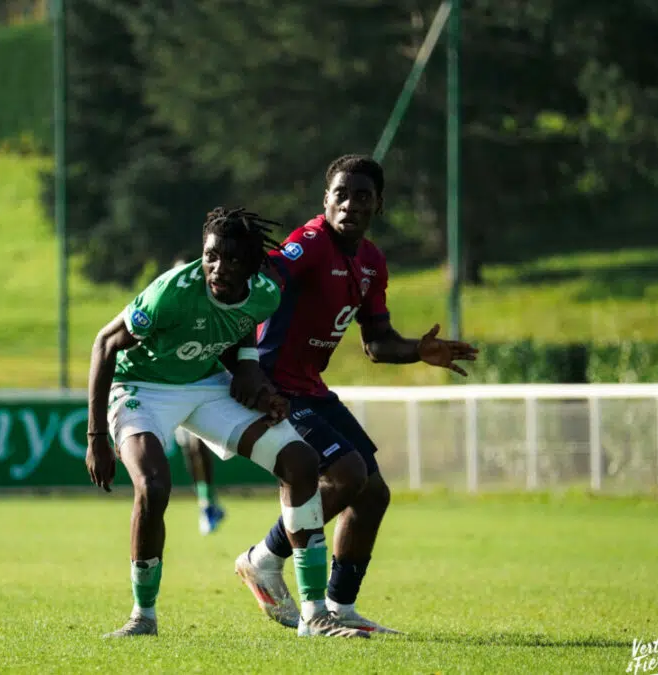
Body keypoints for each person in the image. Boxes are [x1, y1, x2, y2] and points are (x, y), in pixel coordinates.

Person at [85, 207, 369, 639]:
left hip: (205, 383)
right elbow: (106, 342)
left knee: (301, 461)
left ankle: (314, 614)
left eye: (233, 260)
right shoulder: (172, 291)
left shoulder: (266, 292)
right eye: (211, 256)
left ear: (254, 265)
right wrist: (96, 437)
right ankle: (143, 616)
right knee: (153, 486)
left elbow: (241, 323)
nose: (218, 268)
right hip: (142, 386)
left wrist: (249, 367)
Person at [231, 155, 478, 633]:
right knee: (346, 473)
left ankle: (341, 608)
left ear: (378, 205)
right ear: (326, 200)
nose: (350, 204)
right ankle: (262, 557)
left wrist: (419, 351)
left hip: (311, 387)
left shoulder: (371, 263)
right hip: (274, 384)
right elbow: (263, 286)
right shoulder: (308, 244)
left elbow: (377, 344)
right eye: (340, 194)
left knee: (373, 493)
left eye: (362, 195)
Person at [168, 258, 228, 536]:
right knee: (191, 450)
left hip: (210, 388)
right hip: (178, 390)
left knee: (197, 447)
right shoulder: (167, 308)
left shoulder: (212, 306)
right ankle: (207, 502)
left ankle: (208, 503)